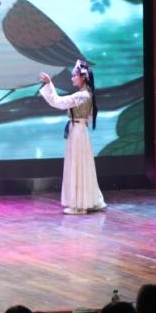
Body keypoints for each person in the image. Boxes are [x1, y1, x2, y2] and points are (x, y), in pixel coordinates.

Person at [38, 60, 106, 214]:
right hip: (80, 130)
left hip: (78, 132)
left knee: (77, 165)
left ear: (83, 78)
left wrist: (49, 84)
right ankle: (88, 200)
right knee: (82, 165)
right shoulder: (87, 94)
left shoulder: (82, 95)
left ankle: (79, 205)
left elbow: (58, 102)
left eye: (74, 75)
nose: (72, 78)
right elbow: (88, 116)